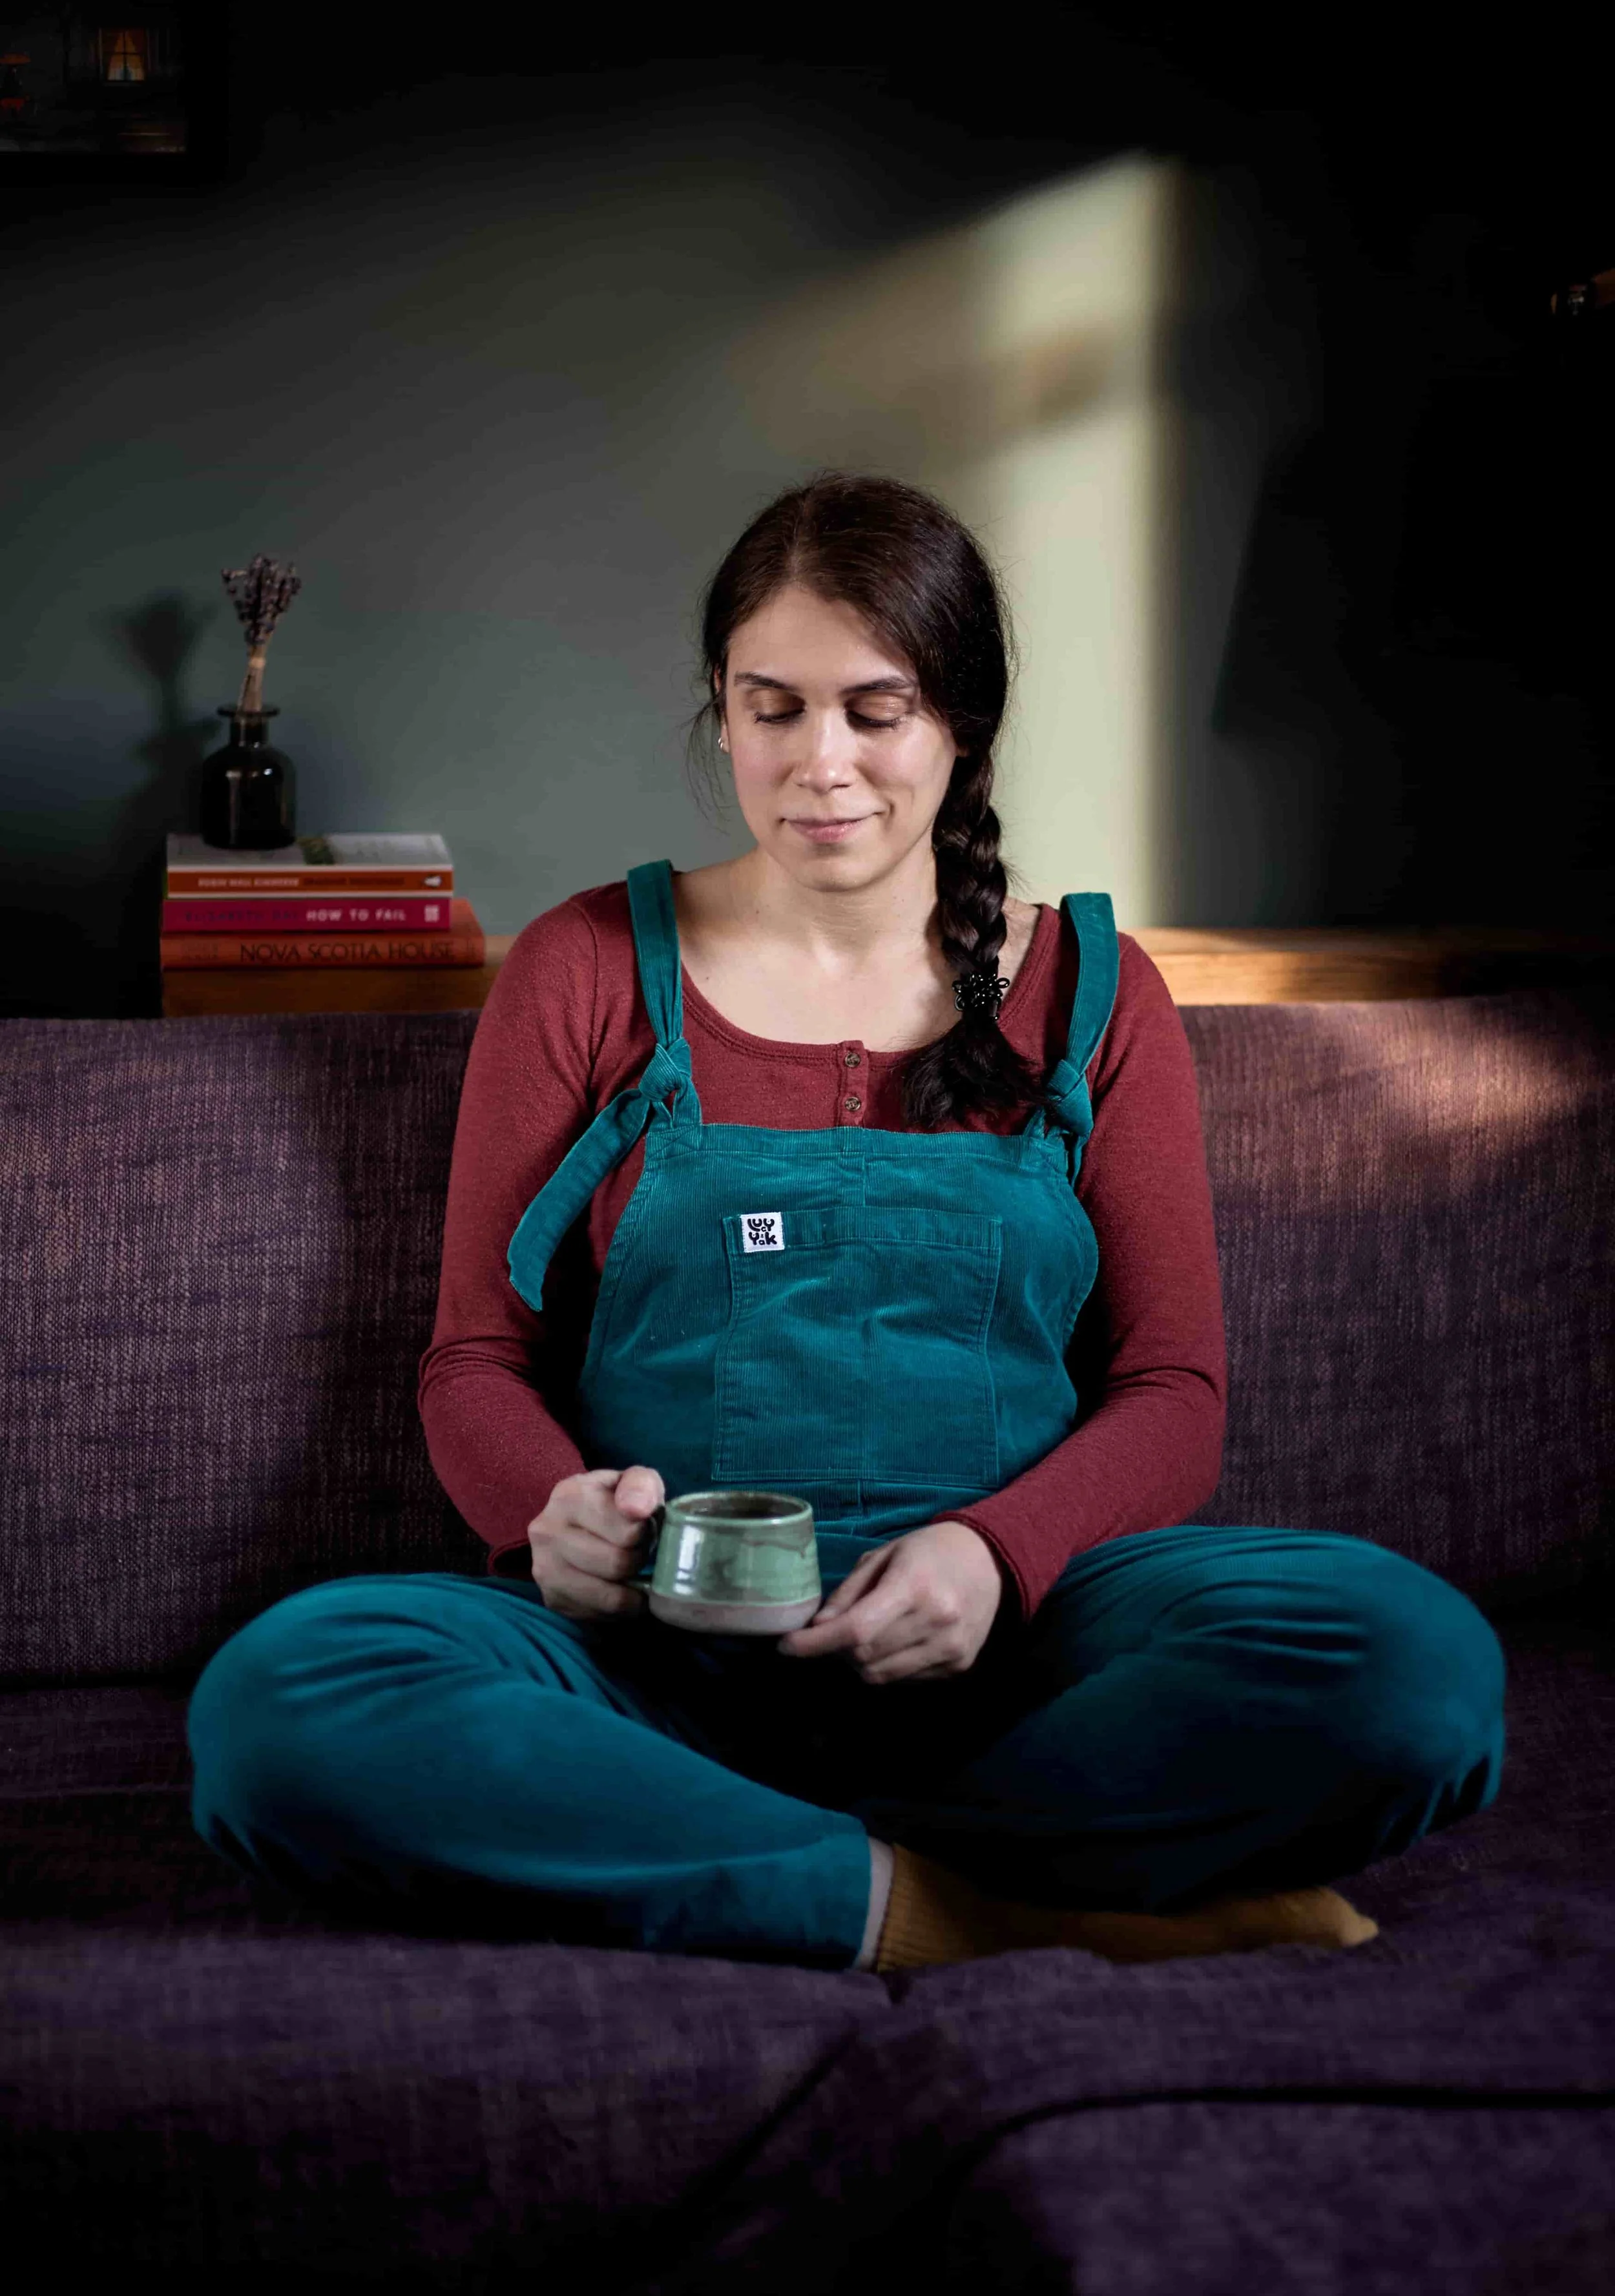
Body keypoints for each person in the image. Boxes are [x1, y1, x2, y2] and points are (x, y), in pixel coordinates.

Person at [187, 471, 1506, 1970]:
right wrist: (545, 1520)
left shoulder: (1095, 992)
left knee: (1407, 1666)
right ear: (721, 709)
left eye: (875, 712)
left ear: (961, 721)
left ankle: (731, 1860)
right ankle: (969, 1911)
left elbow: (1173, 1394)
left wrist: (992, 1557)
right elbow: (473, 1358)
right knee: (285, 1701)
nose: (820, 764)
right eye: (773, 708)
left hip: (1026, 1657)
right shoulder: (583, 965)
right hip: (654, 1663)